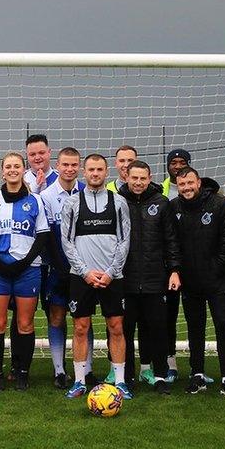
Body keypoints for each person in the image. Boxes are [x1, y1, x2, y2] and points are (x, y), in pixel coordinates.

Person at [0, 153, 50, 391]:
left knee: (25, 324)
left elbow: (43, 235)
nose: (12, 170)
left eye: (17, 166)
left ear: (23, 171)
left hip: (28, 271)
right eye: (8, 166)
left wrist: (24, 263)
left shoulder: (36, 200)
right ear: (3, 172)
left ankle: (22, 372)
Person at [60, 154, 132, 399]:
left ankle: (120, 381)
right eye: (91, 169)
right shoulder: (72, 203)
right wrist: (85, 272)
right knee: (80, 327)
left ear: (106, 171)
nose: (95, 174)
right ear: (84, 172)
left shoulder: (119, 202)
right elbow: (66, 242)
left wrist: (111, 272)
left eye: (99, 169)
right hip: (82, 278)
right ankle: (79, 381)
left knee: (116, 327)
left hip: (113, 277)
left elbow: (124, 241)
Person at [171, 166, 225, 398]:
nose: (187, 188)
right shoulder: (174, 208)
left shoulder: (220, 205)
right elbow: (172, 244)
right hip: (190, 282)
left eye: (190, 183)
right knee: (195, 327)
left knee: (223, 325)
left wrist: (215, 269)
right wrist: (178, 270)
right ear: (177, 187)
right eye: (182, 185)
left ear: (198, 182)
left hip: (218, 280)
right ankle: (197, 374)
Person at [118, 160, 180, 394]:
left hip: (155, 277)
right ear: (126, 177)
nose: (138, 182)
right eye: (134, 178)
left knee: (158, 328)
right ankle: (128, 376)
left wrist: (174, 269)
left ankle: (161, 375)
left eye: (143, 178)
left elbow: (171, 239)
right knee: (126, 329)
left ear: (149, 177)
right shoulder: (118, 201)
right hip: (125, 277)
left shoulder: (161, 202)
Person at [40, 147, 92, 389]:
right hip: (59, 270)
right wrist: (60, 266)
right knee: (57, 317)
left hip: (84, 271)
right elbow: (48, 236)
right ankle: (59, 371)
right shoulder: (47, 196)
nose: (69, 169)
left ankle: (87, 370)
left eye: (74, 165)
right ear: (57, 166)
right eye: (65, 165)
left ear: (79, 168)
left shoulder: (89, 193)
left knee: (83, 319)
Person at [162, 147, 190, 382]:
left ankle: (196, 366)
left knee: (194, 315)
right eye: (174, 162)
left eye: (182, 162)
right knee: (167, 315)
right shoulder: (159, 191)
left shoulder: (196, 188)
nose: (178, 166)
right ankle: (169, 361)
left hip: (193, 264)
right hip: (167, 264)